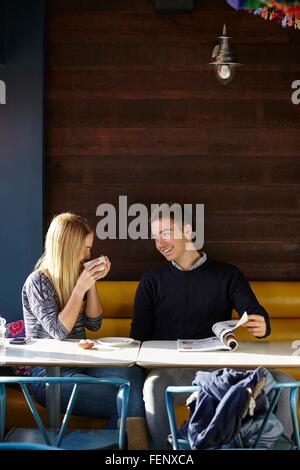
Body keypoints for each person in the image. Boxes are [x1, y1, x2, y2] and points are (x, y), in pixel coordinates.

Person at [130, 204, 294, 449]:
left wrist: (262, 324)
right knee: (153, 385)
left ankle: (279, 445)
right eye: (155, 237)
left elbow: (253, 310)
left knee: (283, 380)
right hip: (174, 370)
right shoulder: (152, 280)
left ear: (187, 230)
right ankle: (170, 452)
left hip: (224, 368)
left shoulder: (227, 274)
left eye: (165, 233)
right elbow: (138, 338)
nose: (159, 243)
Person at [22, 213, 148, 449]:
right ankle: (134, 449)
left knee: (133, 374)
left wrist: (91, 284)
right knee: (131, 398)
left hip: (83, 363)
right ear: (68, 248)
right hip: (50, 375)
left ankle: (117, 448)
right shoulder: (38, 281)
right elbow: (58, 331)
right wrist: (80, 288)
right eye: (85, 248)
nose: (89, 255)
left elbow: (94, 323)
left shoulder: (76, 276)